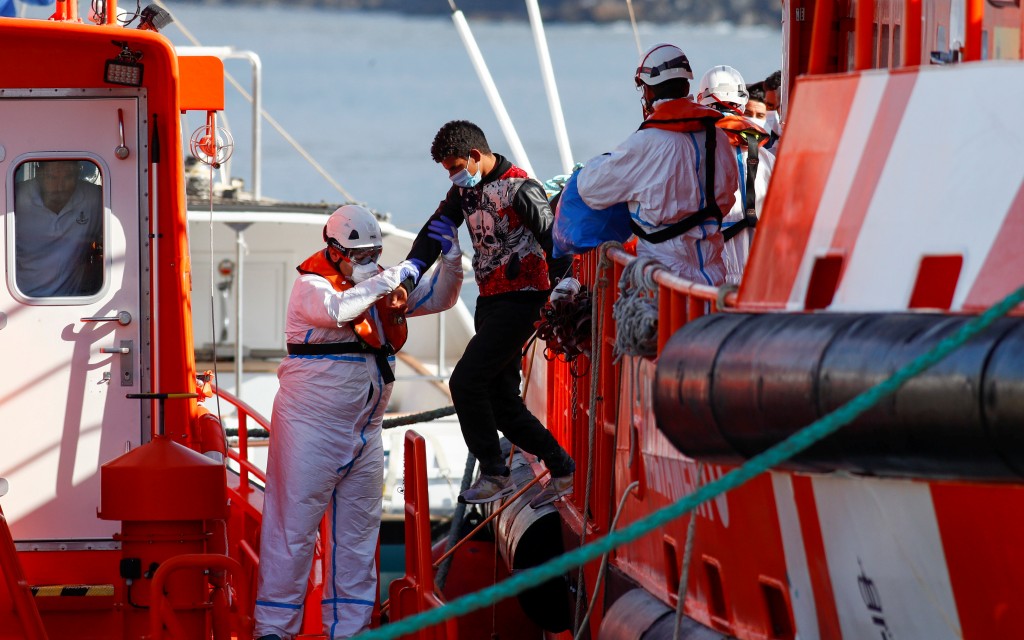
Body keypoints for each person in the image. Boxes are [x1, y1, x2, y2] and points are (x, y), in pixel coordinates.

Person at [253, 204, 462, 640]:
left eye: (374, 253)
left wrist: (451, 259)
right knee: (292, 534)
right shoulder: (311, 287)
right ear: (334, 251)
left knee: (358, 540)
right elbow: (339, 310)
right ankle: (273, 629)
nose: (368, 261)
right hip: (310, 431)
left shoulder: (380, 284)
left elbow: (440, 298)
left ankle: (350, 630)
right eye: (361, 255)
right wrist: (397, 273)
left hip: (364, 434)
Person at [405, 120, 575, 509]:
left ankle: (495, 473)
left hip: (524, 301)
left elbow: (555, 244)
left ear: (475, 156)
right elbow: (433, 232)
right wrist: (408, 274)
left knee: (465, 381)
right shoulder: (463, 192)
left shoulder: (521, 188)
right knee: (501, 402)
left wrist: (563, 287)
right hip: (489, 301)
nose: (452, 176)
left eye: (455, 167)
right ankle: (562, 468)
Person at [575, 43, 738, 285]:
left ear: (648, 91)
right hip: (713, 279)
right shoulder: (719, 137)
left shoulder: (646, 142)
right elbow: (729, 194)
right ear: (687, 86)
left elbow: (590, 189)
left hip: (663, 281)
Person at [696, 65, 776, 285]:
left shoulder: (691, 149)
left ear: (702, 99)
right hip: (755, 274)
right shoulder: (766, 157)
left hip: (708, 271)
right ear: (742, 102)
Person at [14, 159, 104, 297]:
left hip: (75, 302)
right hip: (18, 298)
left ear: (78, 174)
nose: (60, 187)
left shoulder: (94, 198)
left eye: (68, 177)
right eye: (52, 177)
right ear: (39, 174)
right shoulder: (15, 197)